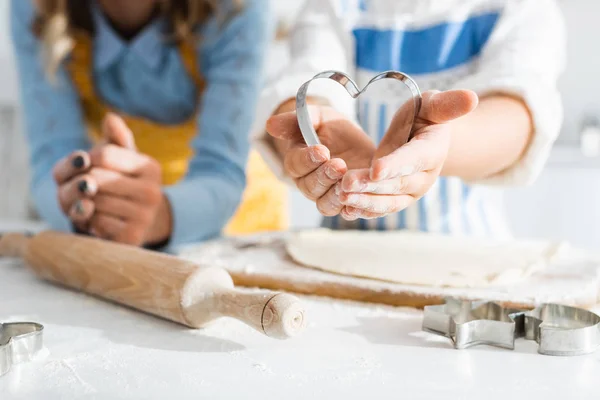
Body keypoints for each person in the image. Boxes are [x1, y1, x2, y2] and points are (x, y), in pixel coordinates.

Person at [255, 0, 566, 237]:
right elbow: (308, 75)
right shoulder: (335, 6)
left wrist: (440, 140)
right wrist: (312, 133)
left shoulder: (516, 7)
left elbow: (516, 112)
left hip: (468, 255)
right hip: (342, 257)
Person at [10, 0, 286, 249]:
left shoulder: (238, 8)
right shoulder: (35, 8)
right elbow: (51, 161)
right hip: (115, 227)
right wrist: (83, 207)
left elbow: (222, 171)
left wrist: (159, 216)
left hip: (238, 234)